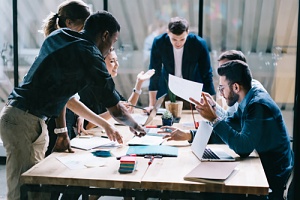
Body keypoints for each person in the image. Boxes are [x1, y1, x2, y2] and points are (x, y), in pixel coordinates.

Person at [0, 11, 146, 200]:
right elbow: (115, 108)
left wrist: (63, 131)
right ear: (105, 36)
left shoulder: (60, 35)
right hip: (25, 121)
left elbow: (68, 98)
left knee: (37, 191)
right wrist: (136, 127)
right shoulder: (89, 54)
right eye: (114, 41)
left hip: (24, 117)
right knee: (25, 192)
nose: (111, 48)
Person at [189, 60, 293, 199]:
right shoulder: (247, 99)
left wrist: (214, 119)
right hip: (260, 165)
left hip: (270, 177)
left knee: (211, 192)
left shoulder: (257, 105)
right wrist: (190, 134)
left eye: (222, 88)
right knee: (209, 188)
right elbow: (230, 126)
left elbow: (243, 148)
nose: (221, 94)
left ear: (236, 87)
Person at [147, 17, 215, 111]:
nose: (178, 43)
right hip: (168, 91)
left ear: (188, 32)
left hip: (192, 91)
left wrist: (212, 104)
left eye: (182, 39)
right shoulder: (159, 42)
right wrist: (152, 104)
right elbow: (154, 72)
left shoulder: (199, 44)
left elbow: (206, 74)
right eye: (174, 39)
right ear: (168, 32)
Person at [77, 49, 155, 130]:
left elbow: (127, 109)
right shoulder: (86, 88)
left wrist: (139, 83)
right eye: (112, 61)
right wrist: (114, 111)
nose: (117, 64)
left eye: (117, 60)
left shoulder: (107, 85)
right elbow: (88, 125)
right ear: (100, 64)